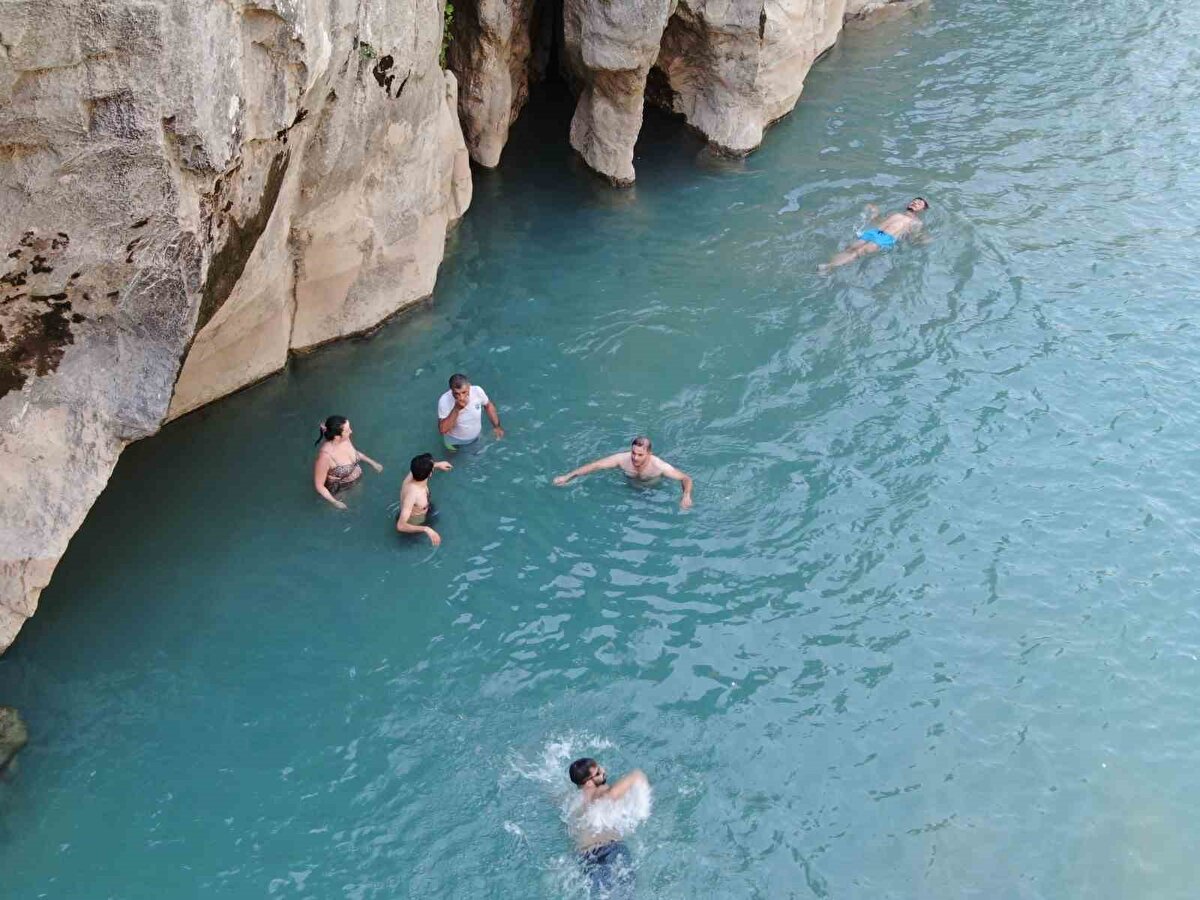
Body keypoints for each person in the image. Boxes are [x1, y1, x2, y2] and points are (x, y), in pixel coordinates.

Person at [567, 759, 648, 899]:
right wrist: (637, 775)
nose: (603, 771)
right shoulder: (598, 793)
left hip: (584, 857)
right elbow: (612, 793)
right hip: (609, 850)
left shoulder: (572, 801)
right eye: (598, 772)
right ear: (588, 781)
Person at [553, 436, 694, 509]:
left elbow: (685, 478)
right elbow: (596, 465)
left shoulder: (659, 466)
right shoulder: (622, 459)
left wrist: (686, 496)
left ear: (649, 453)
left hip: (654, 492)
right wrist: (568, 477)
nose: (635, 457)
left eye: (640, 455)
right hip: (628, 488)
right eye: (633, 453)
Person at [820, 197, 930, 271]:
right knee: (850, 248)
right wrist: (875, 213)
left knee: (858, 252)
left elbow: (912, 236)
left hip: (885, 238)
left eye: (919, 203)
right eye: (914, 201)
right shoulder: (895, 213)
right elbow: (878, 222)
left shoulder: (916, 222)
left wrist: (922, 239)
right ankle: (829, 266)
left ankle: (829, 267)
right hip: (874, 232)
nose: (915, 203)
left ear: (922, 209)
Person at [313, 416, 383, 509]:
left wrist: (373, 463)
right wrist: (335, 502)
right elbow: (319, 485)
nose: (351, 431)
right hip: (339, 492)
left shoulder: (345, 439)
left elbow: (355, 453)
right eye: (347, 430)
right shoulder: (325, 456)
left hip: (356, 482)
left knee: (359, 504)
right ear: (337, 436)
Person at [396, 453, 453, 545]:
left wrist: (438, 464)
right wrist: (426, 529)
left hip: (421, 511)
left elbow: (421, 467)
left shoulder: (412, 475)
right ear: (430, 473)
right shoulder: (413, 495)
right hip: (414, 524)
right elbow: (401, 526)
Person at [437, 373, 504, 451]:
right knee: (452, 458)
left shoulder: (477, 391)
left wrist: (497, 426)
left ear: (469, 386)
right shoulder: (444, 400)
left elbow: (488, 405)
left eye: (464, 392)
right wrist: (456, 409)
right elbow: (442, 430)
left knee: (478, 455)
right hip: (454, 441)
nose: (461, 397)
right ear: (451, 390)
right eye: (456, 394)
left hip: (476, 435)